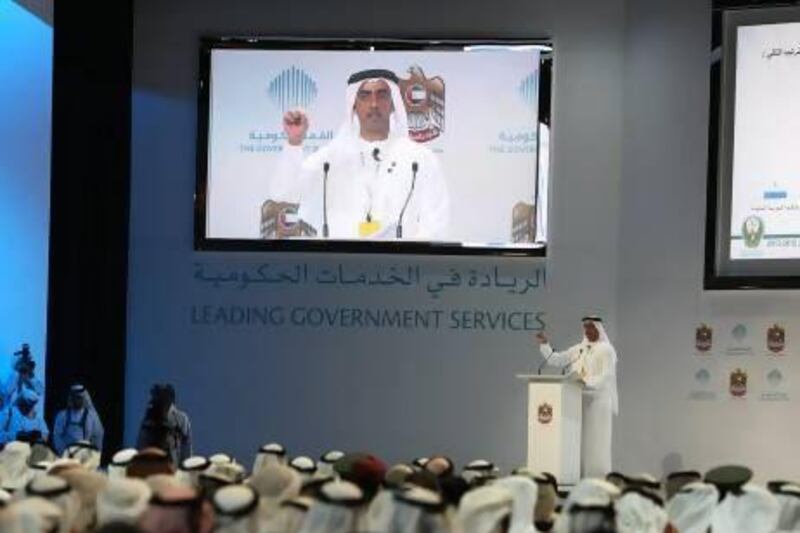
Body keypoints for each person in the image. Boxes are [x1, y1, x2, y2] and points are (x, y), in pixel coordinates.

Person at [269, 69, 449, 240]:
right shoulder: (330, 158)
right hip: (342, 265)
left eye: (382, 95)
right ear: (353, 105)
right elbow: (285, 193)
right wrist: (294, 142)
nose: (373, 104)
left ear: (393, 103)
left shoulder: (419, 158)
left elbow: (436, 224)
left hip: (399, 266)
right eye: (364, 96)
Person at [534, 316, 619, 477]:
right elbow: (556, 360)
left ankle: (597, 477)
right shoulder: (580, 348)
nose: (587, 331)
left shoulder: (606, 350)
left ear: (598, 329)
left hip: (597, 402)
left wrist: (586, 383)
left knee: (595, 442)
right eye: (585, 328)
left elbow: (607, 376)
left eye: (591, 327)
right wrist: (545, 345)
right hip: (578, 400)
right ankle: (577, 476)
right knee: (578, 441)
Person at [136, 384, 192, 465]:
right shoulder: (149, 416)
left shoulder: (180, 418)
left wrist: (185, 467)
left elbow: (186, 446)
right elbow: (141, 442)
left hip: (171, 464)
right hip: (151, 463)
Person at [52, 384, 105, 455]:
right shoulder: (62, 416)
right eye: (75, 397)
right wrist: (64, 452)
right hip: (67, 454)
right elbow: (57, 436)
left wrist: (93, 454)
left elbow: (98, 435)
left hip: (85, 455)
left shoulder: (91, 416)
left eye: (79, 398)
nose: (77, 400)